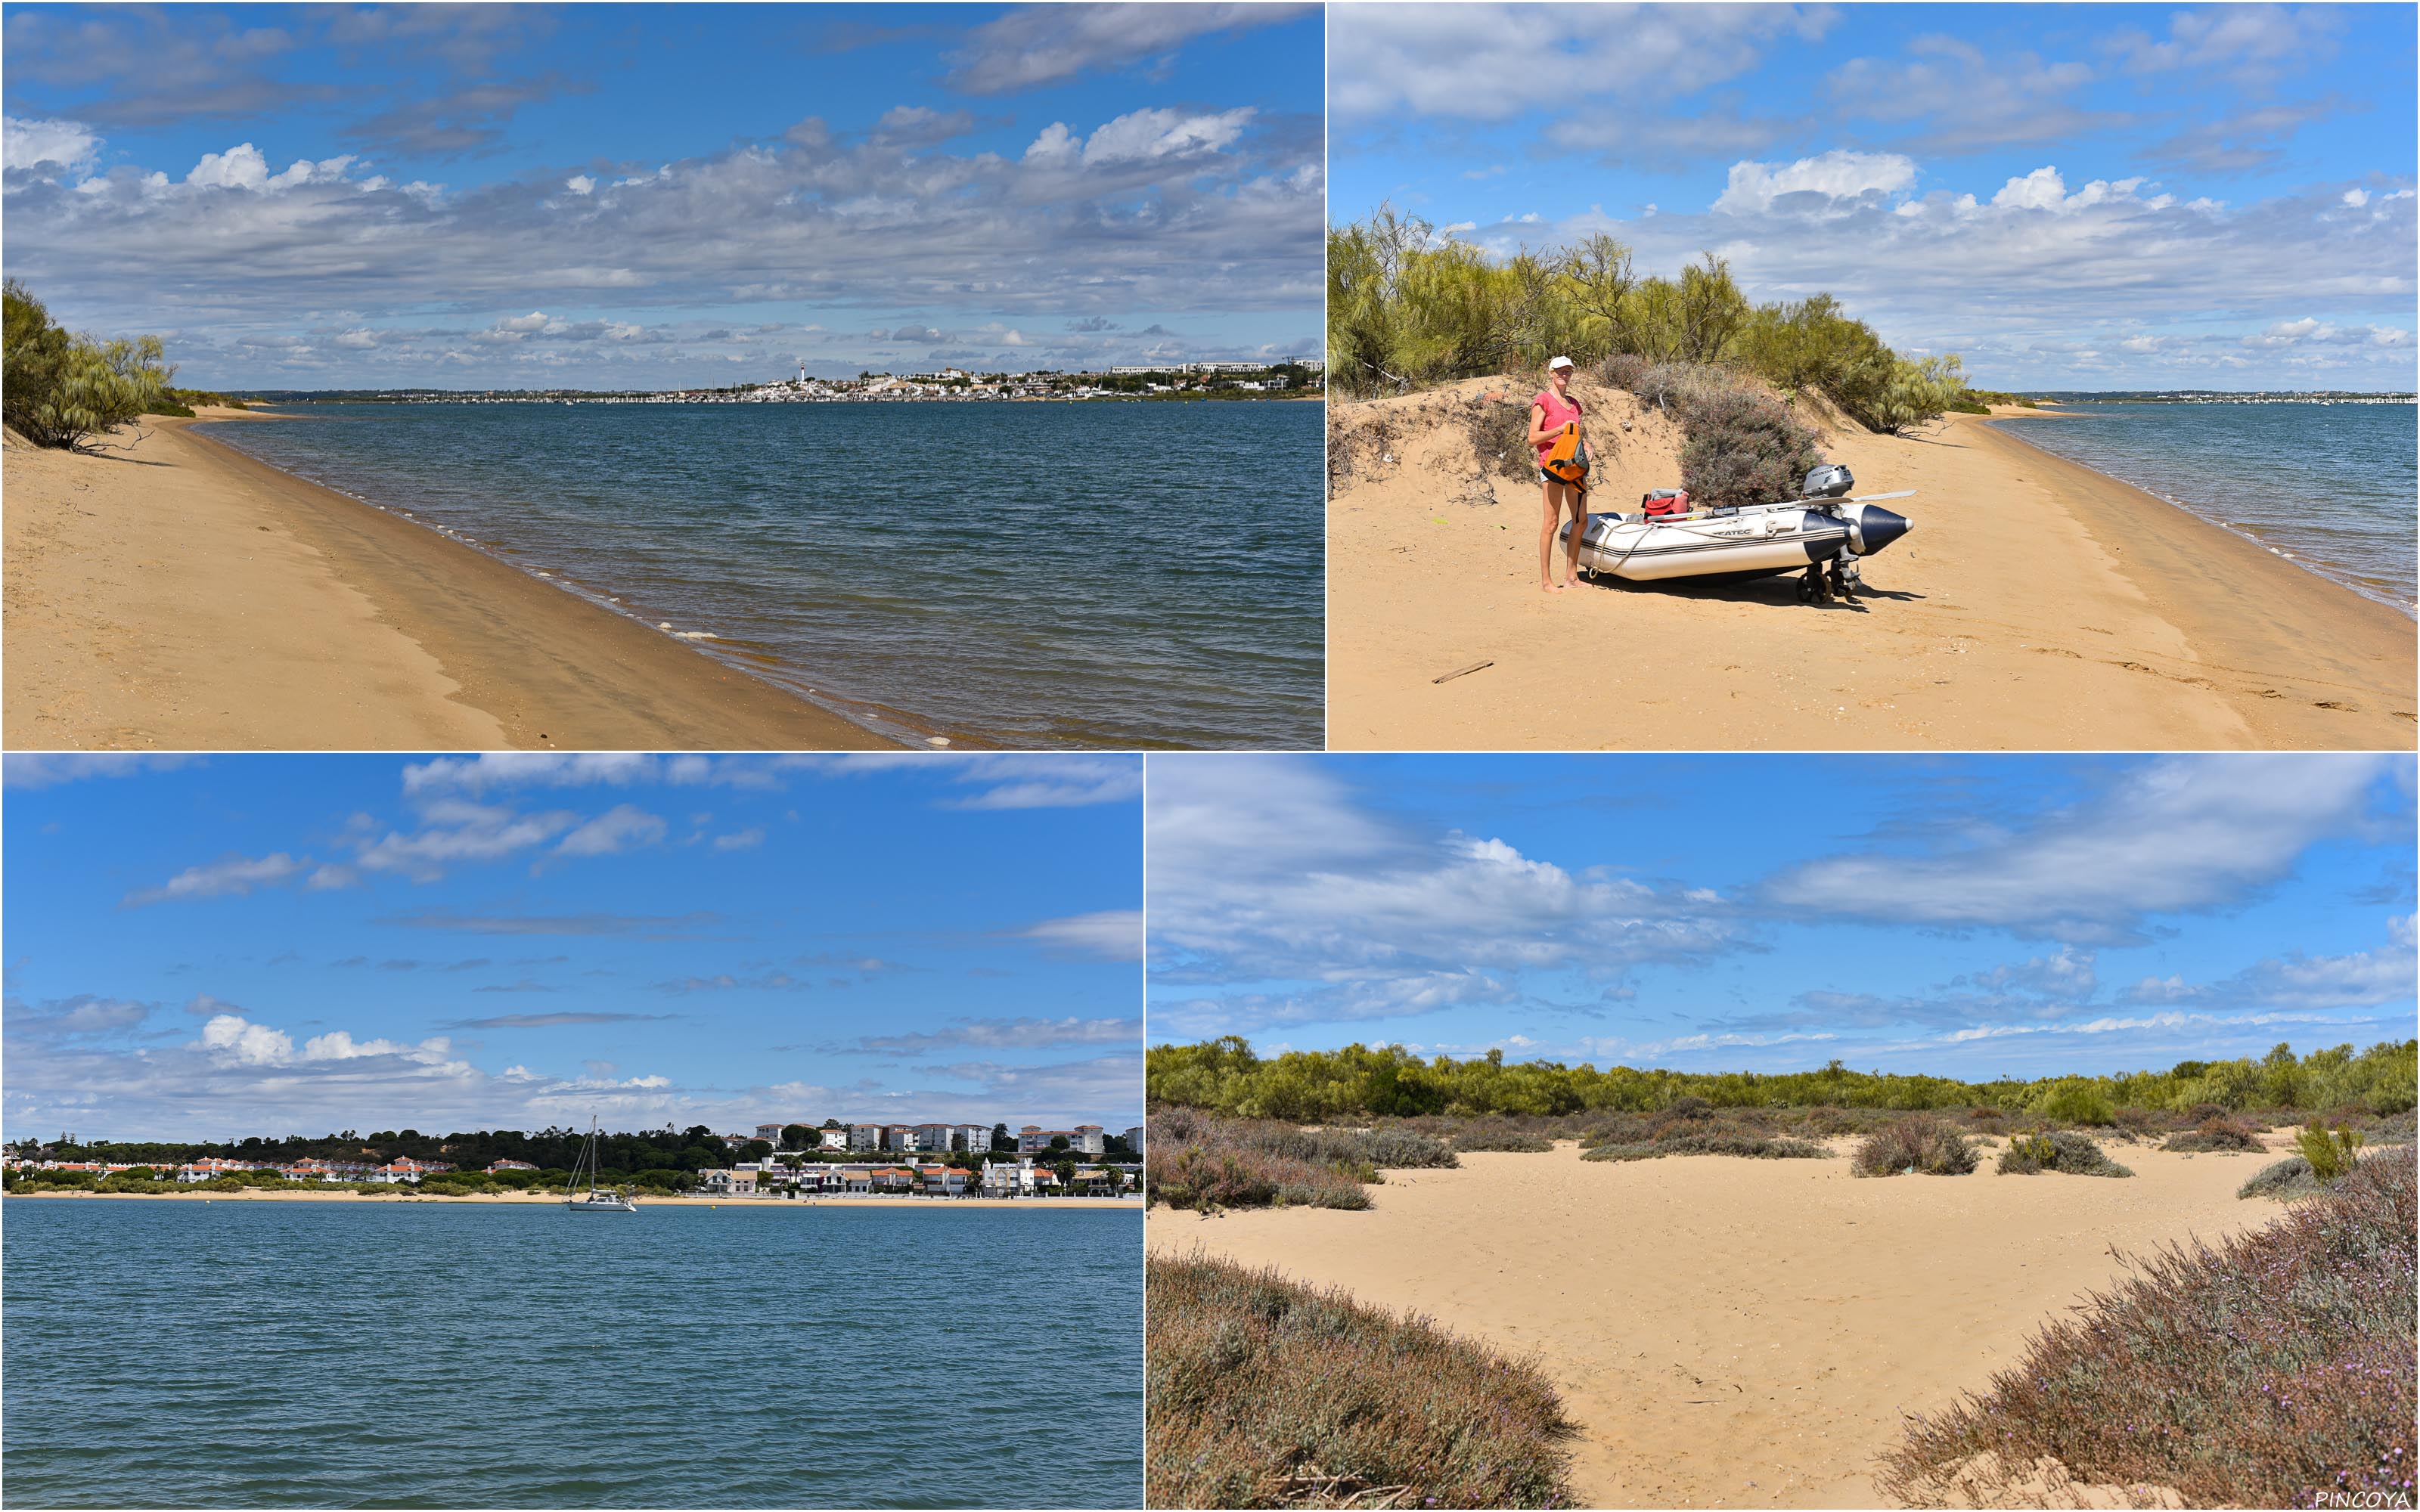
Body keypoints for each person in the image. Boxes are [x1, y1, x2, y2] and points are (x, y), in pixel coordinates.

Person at [1528, 355, 1588, 592]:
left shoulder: (1574, 404)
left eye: (1568, 372)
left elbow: (1576, 434)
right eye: (1560, 371)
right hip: (1552, 467)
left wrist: (1587, 445)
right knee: (1551, 522)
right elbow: (1532, 438)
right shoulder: (1543, 401)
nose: (1565, 375)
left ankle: (1571, 576)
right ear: (1551, 373)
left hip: (1575, 468)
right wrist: (1558, 430)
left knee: (1580, 520)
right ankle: (1546, 582)